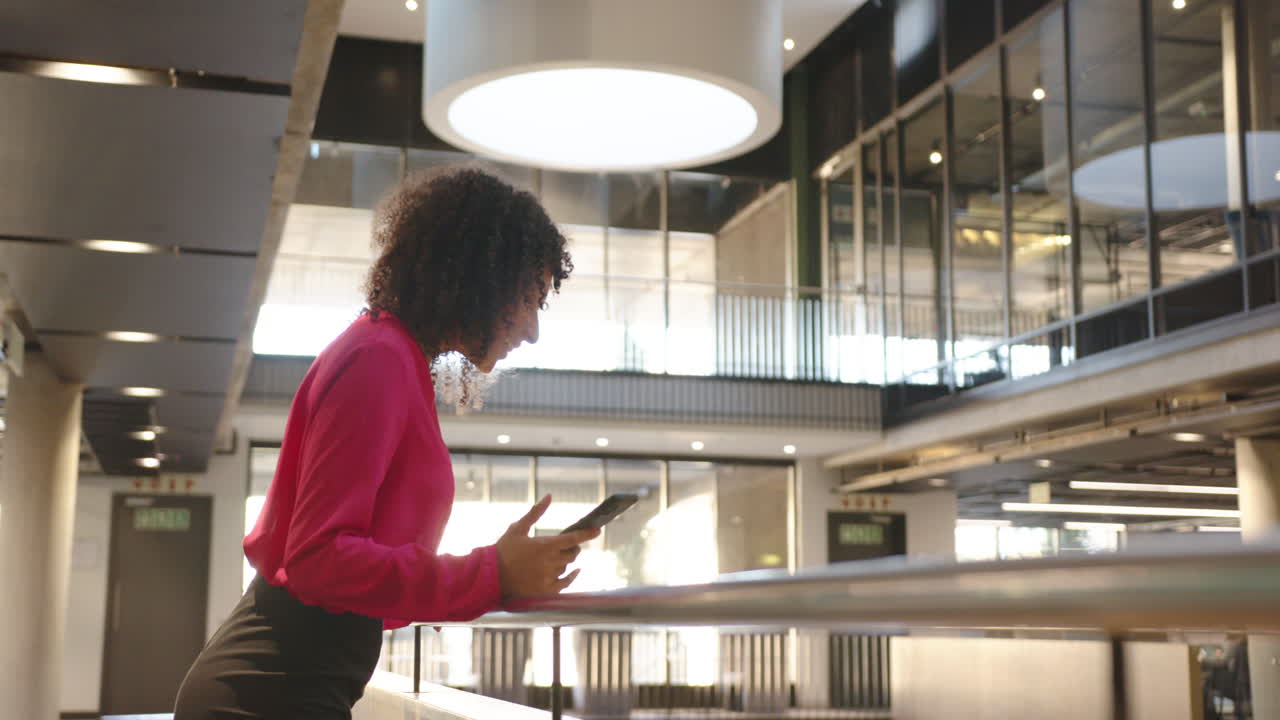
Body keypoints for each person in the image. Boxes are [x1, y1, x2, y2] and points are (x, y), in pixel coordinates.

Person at [174, 167, 599, 720]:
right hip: (270, 692)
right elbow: (318, 559)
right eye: (532, 297)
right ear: (484, 278)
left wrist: (498, 574)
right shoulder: (380, 356)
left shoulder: (390, 354)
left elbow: (354, 577)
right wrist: (491, 572)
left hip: (292, 681)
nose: (532, 330)